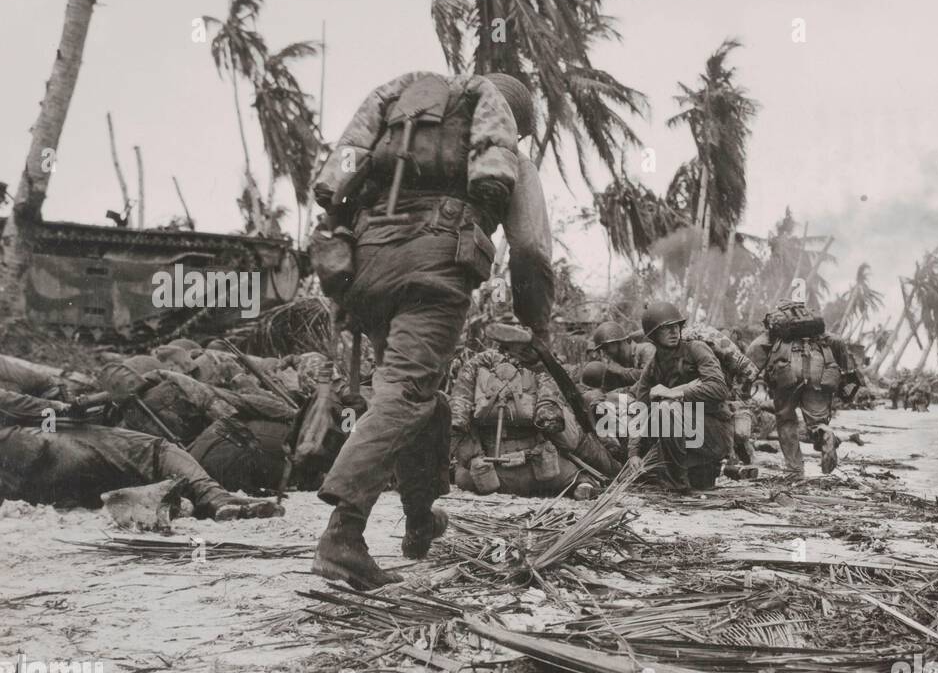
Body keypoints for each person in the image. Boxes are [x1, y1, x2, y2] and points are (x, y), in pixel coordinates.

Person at [309, 67, 553, 589]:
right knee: (405, 393)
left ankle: (420, 519)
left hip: (367, 268)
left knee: (423, 396)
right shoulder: (507, 155)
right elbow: (530, 249)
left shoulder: (401, 126)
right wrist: (538, 326)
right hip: (435, 268)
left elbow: (340, 183)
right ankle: (342, 536)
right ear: (515, 125)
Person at [0, 389, 280, 520]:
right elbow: (20, 403)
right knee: (156, 449)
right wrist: (64, 407)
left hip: (24, 484)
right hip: (32, 447)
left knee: (105, 483)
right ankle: (214, 498)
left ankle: (175, 503)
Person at [450, 321, 619, 499]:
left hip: (488, 475)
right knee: (573, 449)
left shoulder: (474, 366)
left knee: (461, 475)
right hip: (540, 471)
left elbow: (457, 420)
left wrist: (472, 458)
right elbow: (554, 422)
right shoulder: (539, 370)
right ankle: (586, 482)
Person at [626, 301, 733, 493]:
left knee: (666, 409)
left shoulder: (696, 349)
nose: (674, 332)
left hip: (714, 433)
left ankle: (677, 484)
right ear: (653, 336)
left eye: (676, 326)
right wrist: (633, 453)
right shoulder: (652, 367)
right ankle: (684, 475)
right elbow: (640, 409)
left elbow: (719, 389)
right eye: (666, 329)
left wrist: (676, 392)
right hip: (684, 440)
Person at [745, 299, 857, 478]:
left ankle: (794, 469)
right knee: (817, 420)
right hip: (819, 369)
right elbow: (839, 343)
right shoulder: (818, 332)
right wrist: (846, 376)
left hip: (786, 369)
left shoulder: (776, 332)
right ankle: (824, 432)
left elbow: (754, 350)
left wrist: (745, 382)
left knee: (786, 419)